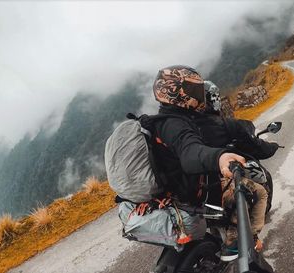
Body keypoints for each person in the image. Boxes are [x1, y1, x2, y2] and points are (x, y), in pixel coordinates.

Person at [117, 65, 246, 251]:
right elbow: (190, 152)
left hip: (168, 192)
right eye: (192, 89)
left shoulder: (158, 122)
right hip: (192, 194)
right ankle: (236, 248)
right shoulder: (176, 125)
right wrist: (219, 157)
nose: (197, 95)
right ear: (176, 92)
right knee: (254, 191)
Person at [193, 80, 280, 261]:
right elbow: (258, 148)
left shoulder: (186, 128)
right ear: (214, 100)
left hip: (194, 188)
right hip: (217, 186)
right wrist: (272, 147)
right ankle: (245, 240)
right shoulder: (226, 125)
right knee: (261, 193)